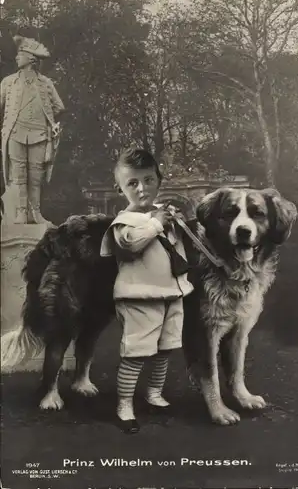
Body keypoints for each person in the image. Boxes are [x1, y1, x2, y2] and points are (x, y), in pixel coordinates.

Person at [100, 148, 194, 434]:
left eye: (149, 180)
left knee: (165, 350)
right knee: (136, 353)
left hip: (171, 293)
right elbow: (130, 247)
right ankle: (124, 404)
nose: (143, 189)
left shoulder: (162, 216)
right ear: (120, 188)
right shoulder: (123, 223)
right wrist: (156, 223)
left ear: (158, 180)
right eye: (133, 183)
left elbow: (180, 246)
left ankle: (154, 393)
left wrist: (173, 220)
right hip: (139, 295)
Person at [0, 35, 65, 224]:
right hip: (14, 132)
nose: (16, 58)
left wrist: (46, 120)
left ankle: (35, 212)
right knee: (18, 175)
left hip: (39, 134)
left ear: (30, 59)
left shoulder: (45, 83)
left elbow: (59, 106)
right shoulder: (8, 82)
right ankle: (21, 212)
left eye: (20, 54)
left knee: (36, 176)